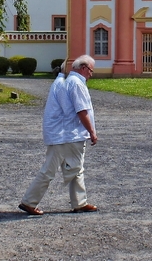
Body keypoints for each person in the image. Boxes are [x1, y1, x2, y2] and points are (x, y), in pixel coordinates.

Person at [19, 55, 98, 215]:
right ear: (83, 68)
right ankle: (29, 201)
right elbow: (82, 111)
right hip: (68, 135)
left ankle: (80, 202)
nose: (91, 74)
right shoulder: (76, 84)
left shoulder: (67, 82)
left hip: (63, 135)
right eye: (91, 70)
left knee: (76, 169)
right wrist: (91, 131)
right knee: (51, 170)